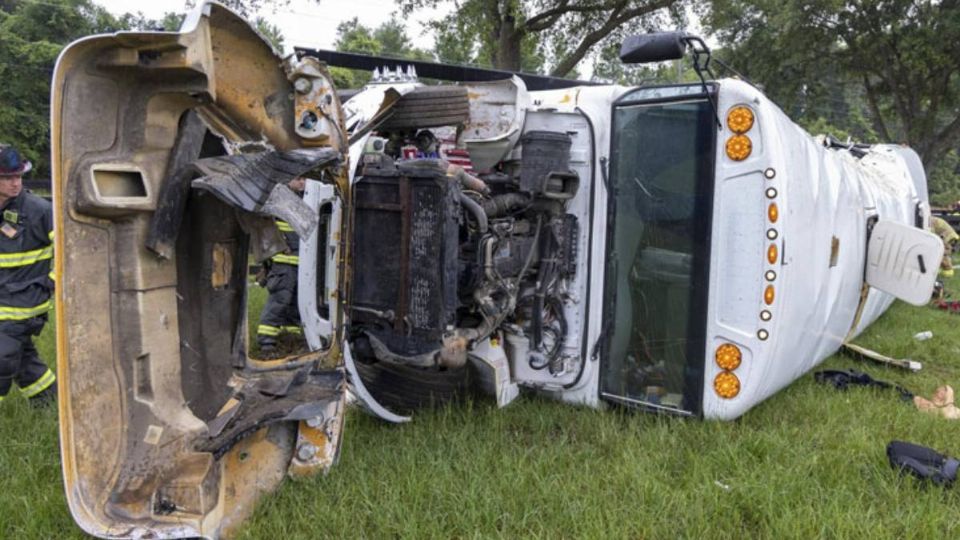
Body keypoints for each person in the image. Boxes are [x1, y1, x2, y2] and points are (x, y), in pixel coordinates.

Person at [0, 144, 56, 405]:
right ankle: (48, 400)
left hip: (24, 304)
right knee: (25, 362)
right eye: (7, 178)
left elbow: (74, 250)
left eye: (18, 176)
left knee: (2, 357)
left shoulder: (39, 211)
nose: (15, 184)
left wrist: (52, 283)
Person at [256, 177, 305, 354]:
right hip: (283, 265)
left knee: (296, 303)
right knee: (280, 300)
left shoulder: (305, 200)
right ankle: (266, 343)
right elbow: (263, 227)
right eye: (299, 179)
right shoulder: (277, 199)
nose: (303, 182)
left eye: (305, 179)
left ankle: (291, 338)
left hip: (302, 266)